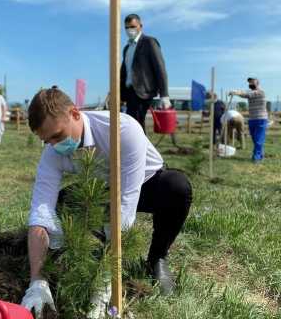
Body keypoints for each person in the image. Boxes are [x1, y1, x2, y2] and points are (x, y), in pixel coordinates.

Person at [20, 87, 192, 318]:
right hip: (100, 188)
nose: (54, 145)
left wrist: (105, 276)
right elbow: (41, 213)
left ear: (75, 113)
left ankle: (157, 258)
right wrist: (37, 279)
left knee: (177, 187)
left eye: (57, 136)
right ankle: (74, 258)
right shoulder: (52, 153)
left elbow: (126, 205)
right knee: (63, 203)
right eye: (46, 140)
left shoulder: (122, 129)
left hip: (146, 182)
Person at [120, 14, 171, 132]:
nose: (129, 30)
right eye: (127, 28)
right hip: (129, 93)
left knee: (135, 125)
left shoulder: (149, 42)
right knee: (133, 125)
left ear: (140, 26)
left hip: (143, 92)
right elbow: (124, 72)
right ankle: (141, 148)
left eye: (132, 26)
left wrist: (164, 95)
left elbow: (160, 68)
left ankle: (141, 149)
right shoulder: (127, 48)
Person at [230, 78, 267, 162]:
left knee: (258, 139)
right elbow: (246, 93)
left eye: (252, 82)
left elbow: (246, 94)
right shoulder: (250, 92)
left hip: (261, 118)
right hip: (252, 119)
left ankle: (256, 158)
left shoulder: (261, 92)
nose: (250, 83)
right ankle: (261, 155)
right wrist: (237, 92)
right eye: (249, 82)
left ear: (258, 83)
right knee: (255, 139)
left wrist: (235, 92)